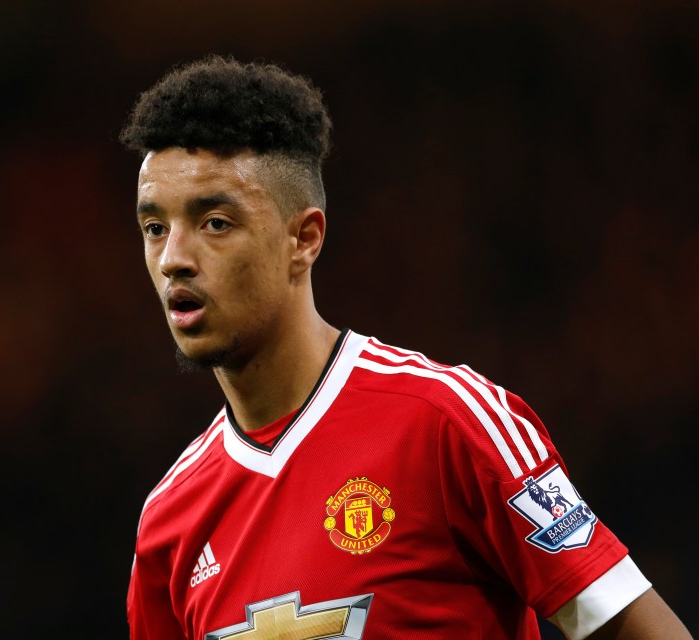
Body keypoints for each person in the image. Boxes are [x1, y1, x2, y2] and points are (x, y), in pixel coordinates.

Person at [120, 55, 690, 640]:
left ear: (304, 239)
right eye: (155, 228)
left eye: (215, 222)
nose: (173, 259)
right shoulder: (170, 521)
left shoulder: (448, 421)